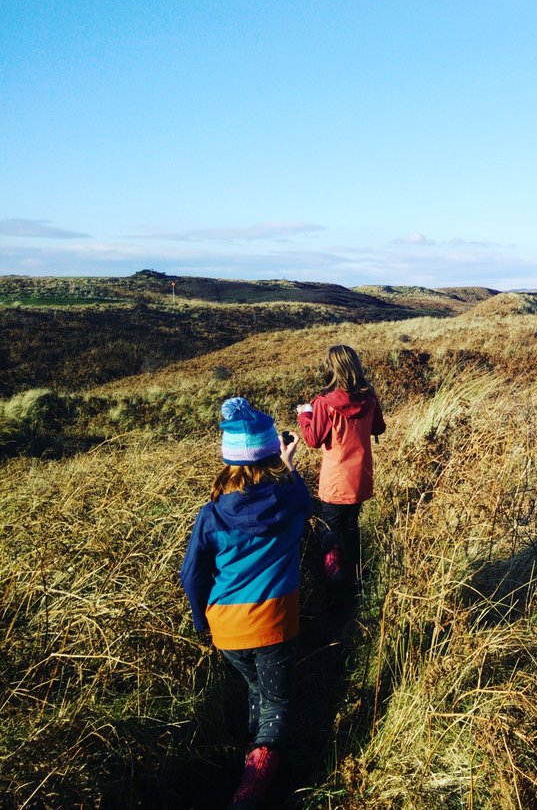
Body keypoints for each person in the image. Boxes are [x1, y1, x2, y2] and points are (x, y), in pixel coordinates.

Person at [181, 397, 312, 809]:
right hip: (274, 622)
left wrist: (202, 622)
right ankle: (254, 787)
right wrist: (290, 463)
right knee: (278, 700)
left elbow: (192, 574)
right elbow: (307, 504)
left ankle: (255, 755)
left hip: (226, 627)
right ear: (271, 453)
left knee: (256, 688)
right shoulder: (289, 499)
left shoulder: (212, 514)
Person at [297, 345, 386, 599]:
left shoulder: (325, 403)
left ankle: (335, 588)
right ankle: (356, 582)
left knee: (330, 533)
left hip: (335, 482)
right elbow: (379, 428)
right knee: (351, 528)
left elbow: (313, 439)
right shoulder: (369, 398)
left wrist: (304, 416)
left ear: (332, 369)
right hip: (360, 478)